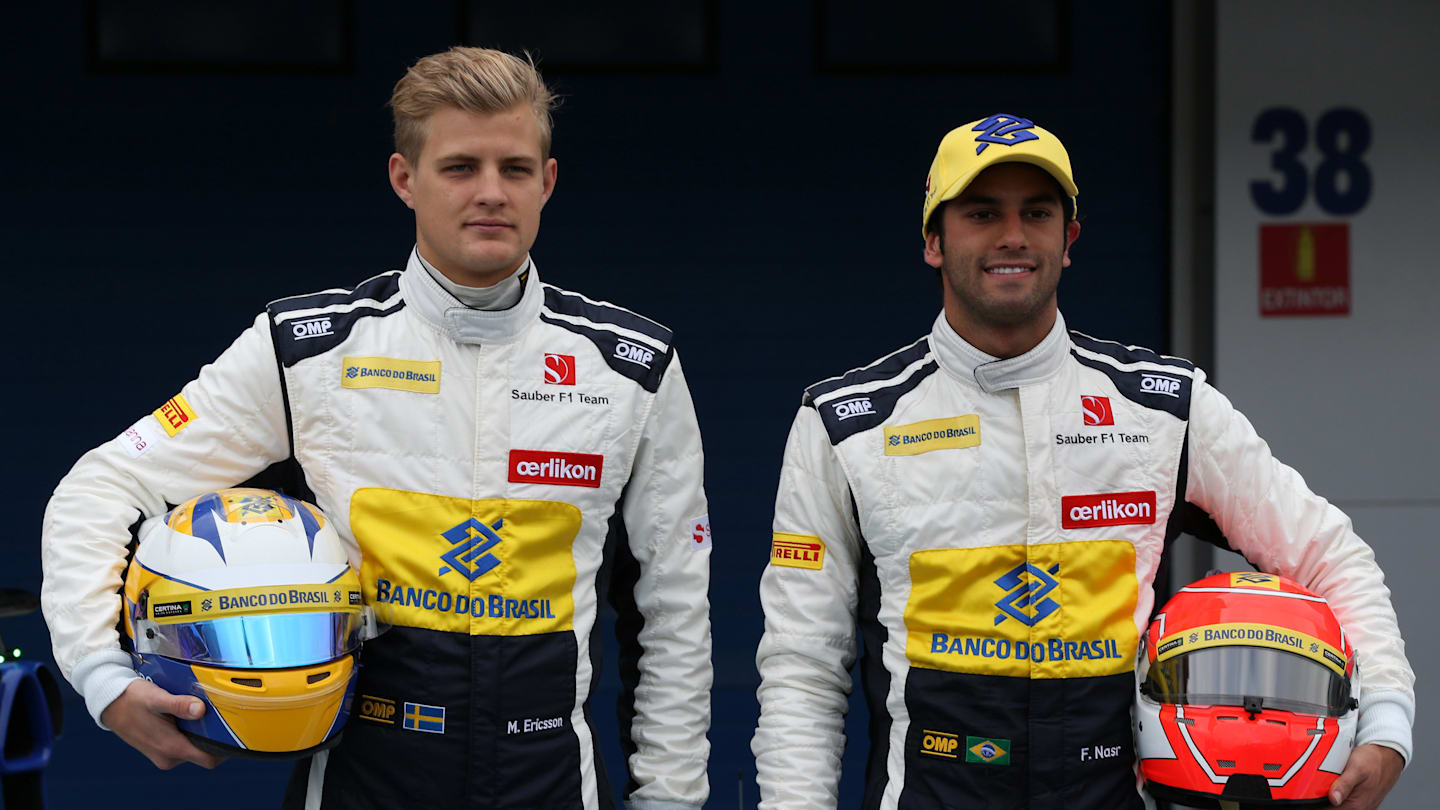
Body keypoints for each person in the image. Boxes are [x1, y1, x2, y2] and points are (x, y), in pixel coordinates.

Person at [41, 47, 713, 810]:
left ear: (548, 182)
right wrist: (103, 678)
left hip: (553, 784)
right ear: (405, 179)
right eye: (460, 167)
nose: (491, 193)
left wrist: (671, 798)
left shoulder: (631, 367)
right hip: (360, 783)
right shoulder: (308, 348)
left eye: (516, 169)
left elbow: (675, 611)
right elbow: (105, 483)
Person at [751, 113, 1412, 810]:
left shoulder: (1163, 408)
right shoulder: (846, 424)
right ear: (933, 241)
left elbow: (1330, 554)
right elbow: (803, 667)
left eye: (1036, 212)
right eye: (982, 213)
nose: (1012, 235)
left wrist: (1388, 722)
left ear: (1068, 240)